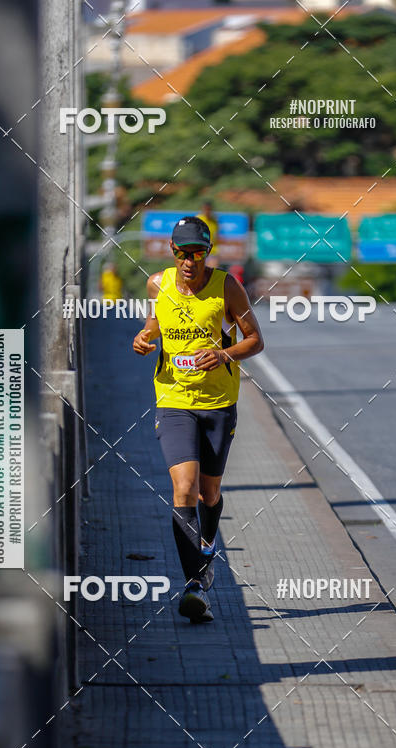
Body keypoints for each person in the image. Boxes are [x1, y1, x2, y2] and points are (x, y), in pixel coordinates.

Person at [133, 216, 264, 623]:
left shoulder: (226, 285)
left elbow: (255, 339)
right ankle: (195, 582)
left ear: (208, 252)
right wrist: (145, 335)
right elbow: (156, 320)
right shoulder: (158, 284)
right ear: (171, 252)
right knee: (183, 487)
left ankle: (206, 544)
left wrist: (224, 354)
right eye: (181, 253)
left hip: (218, 404)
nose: (189, 261)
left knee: (209, 494)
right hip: (173, 400)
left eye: (197, 253)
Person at [198, 201, 220, 268]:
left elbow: (216, 236)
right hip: (200, 249)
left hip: (212, 250)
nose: (207, 211)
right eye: (206, 209)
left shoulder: (214, 221)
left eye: (209, 209)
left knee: (213, 270)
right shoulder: (199, 219)